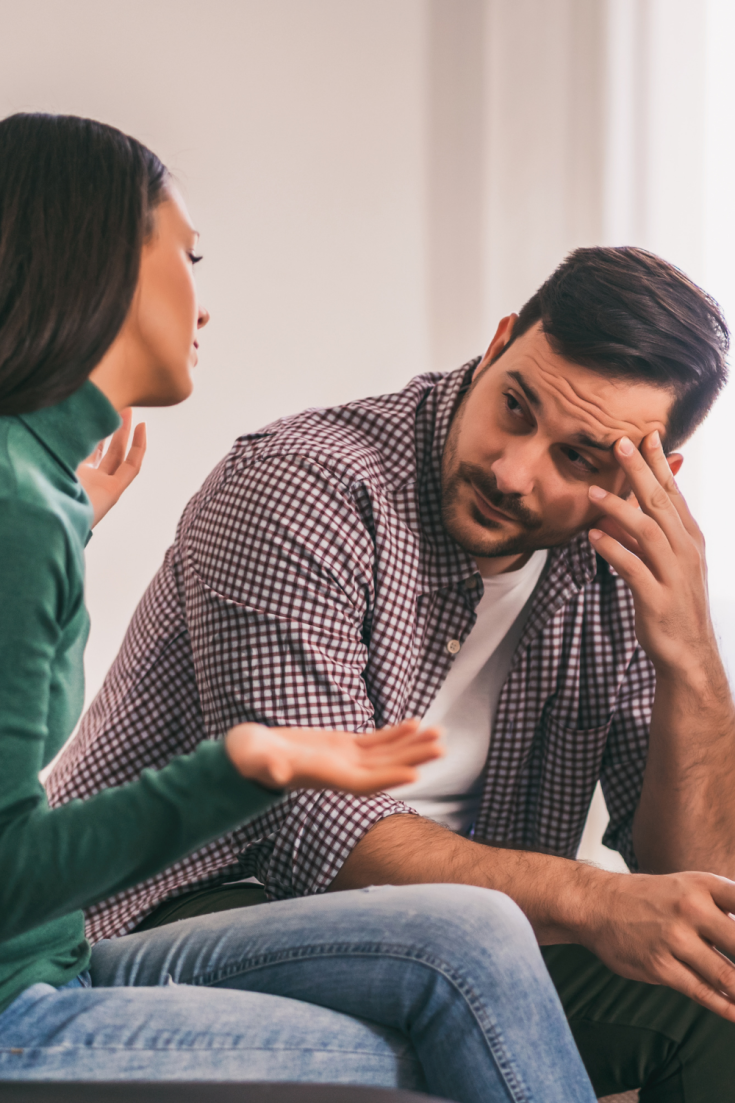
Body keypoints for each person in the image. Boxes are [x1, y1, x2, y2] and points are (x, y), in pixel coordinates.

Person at [0, 112, 601, 1103]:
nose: (204, 303)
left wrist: (65, 525)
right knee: (434, 1055)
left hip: (47, 965)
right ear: (101, 260)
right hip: (23, 1005)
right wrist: (241, 765)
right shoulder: (24, 504)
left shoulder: (35, 491)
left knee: (478, 936)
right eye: (187, 256)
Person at [51, 241, 735, 1100]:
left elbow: (708, 895)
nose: (513, 470)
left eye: (579, 459)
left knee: (715, 997)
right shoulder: (304, 488)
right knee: (465, 942)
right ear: (495, 345)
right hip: (171, 918)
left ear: (652, 479)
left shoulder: (616, 571)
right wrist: (591, 903)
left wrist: (693, 661)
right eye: (515, 407)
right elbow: (314, 834)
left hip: (463, 954)